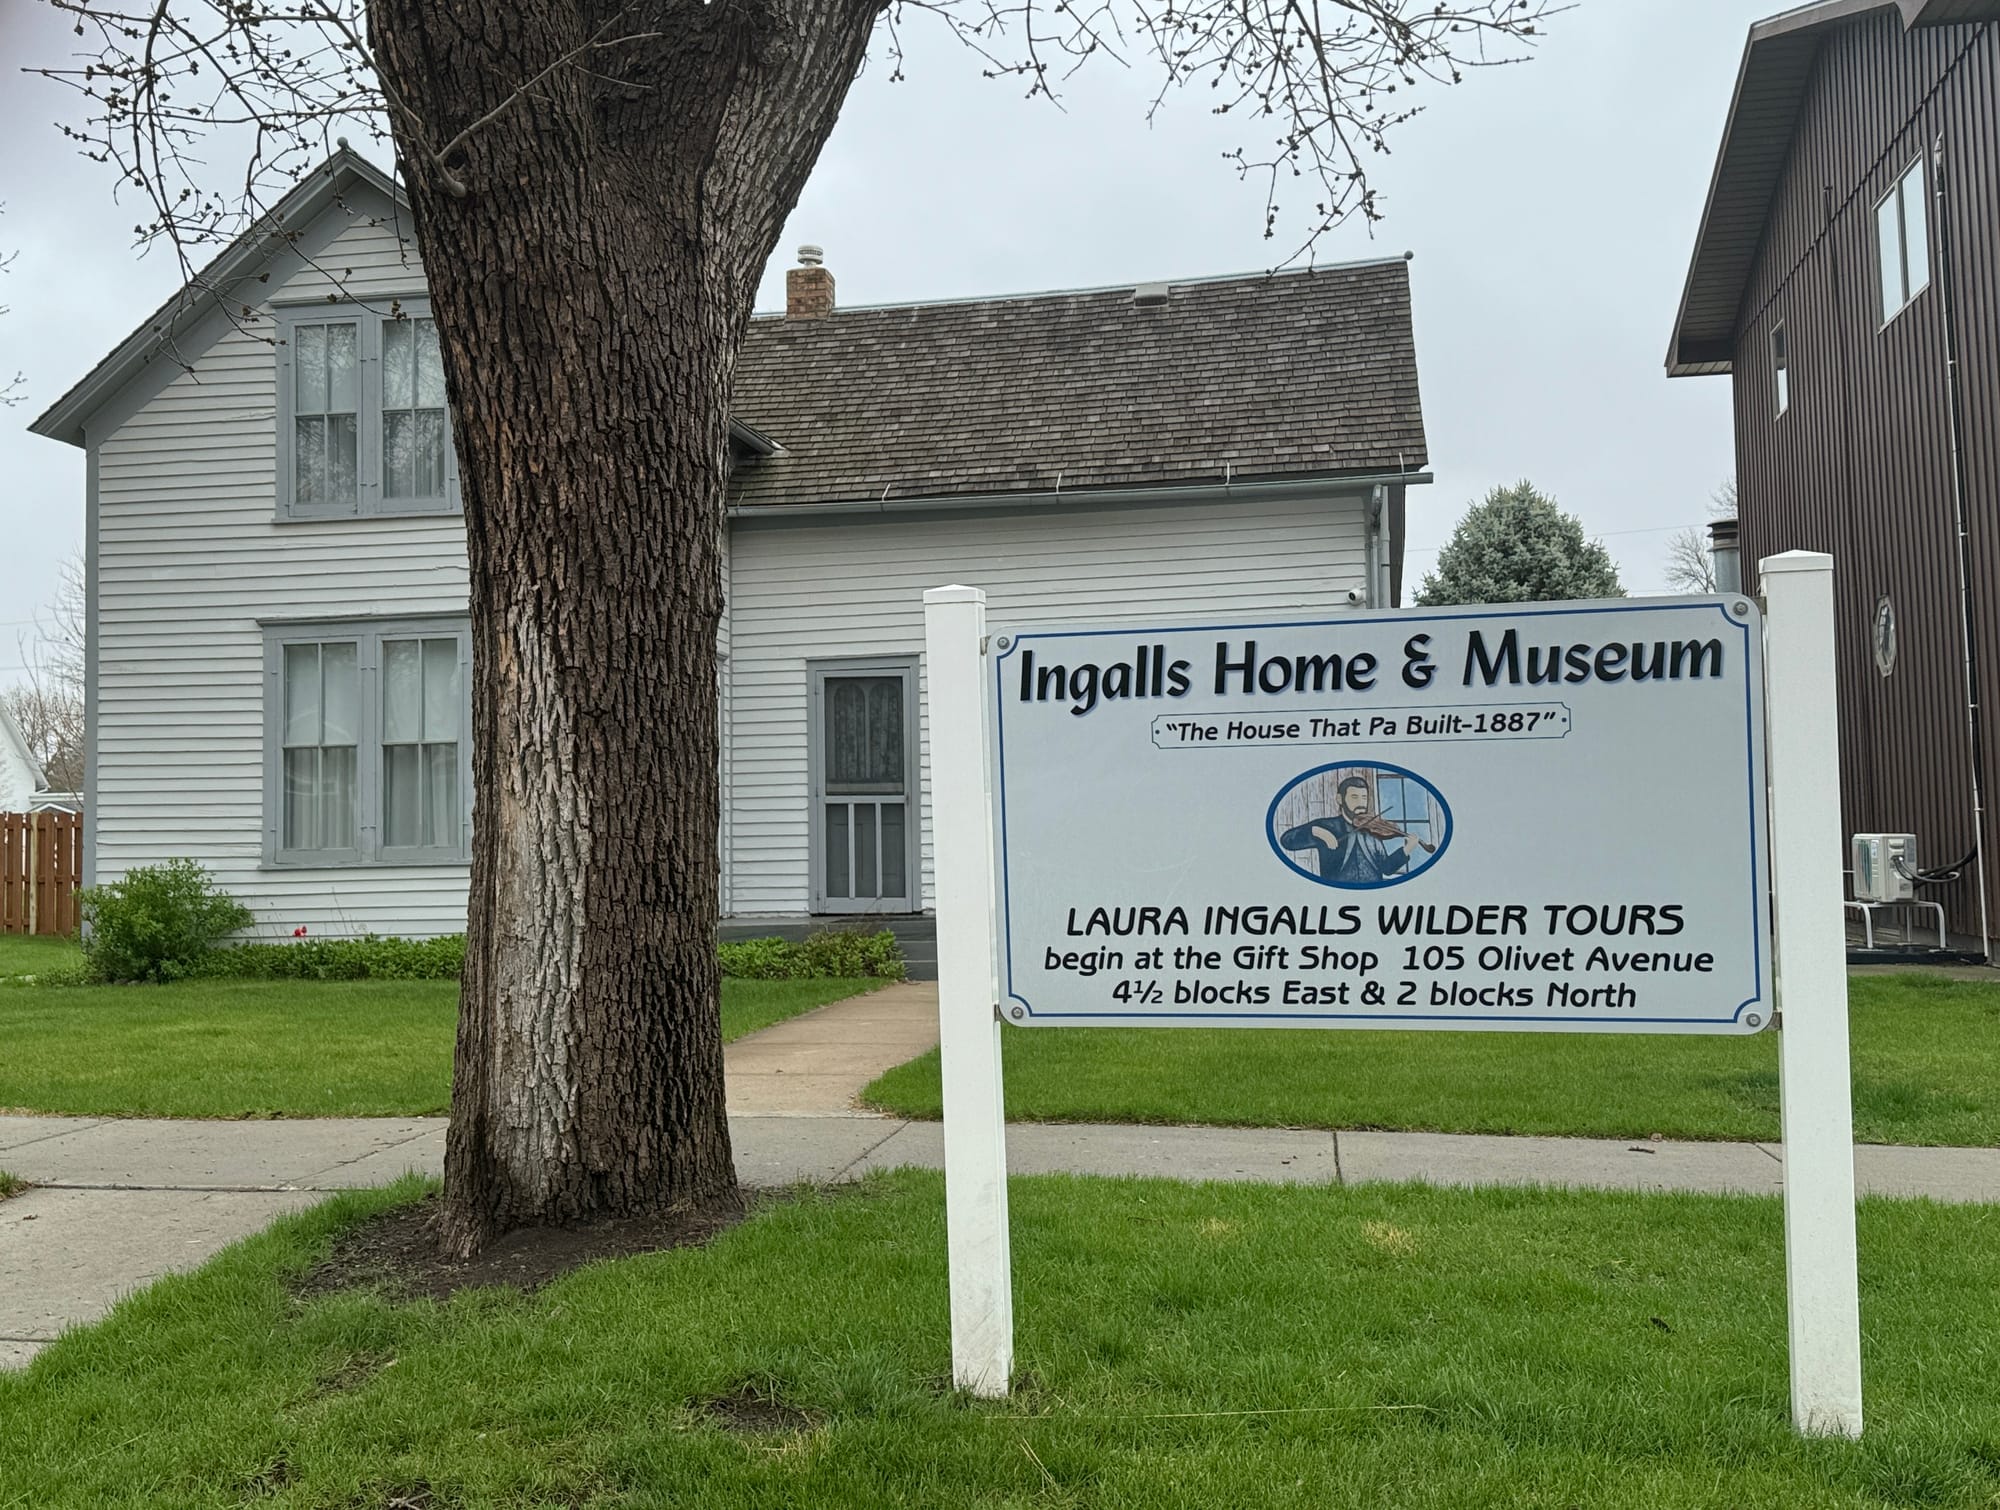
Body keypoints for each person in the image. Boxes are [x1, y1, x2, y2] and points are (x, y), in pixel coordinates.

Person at [1279, 775, 1418, 885]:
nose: (1361, 803)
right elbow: (1287, 840)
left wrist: (1406, 850)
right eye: (1354, 797)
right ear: (1340, 799)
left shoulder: (1373, 831)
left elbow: (1386, 869)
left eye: (1364, 797)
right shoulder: (1327, 826)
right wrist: (1316, 832)